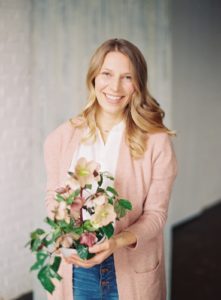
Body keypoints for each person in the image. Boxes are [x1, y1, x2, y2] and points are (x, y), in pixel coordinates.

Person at [44, 38, 177, 300]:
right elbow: (52, 197)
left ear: (137, 84)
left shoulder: (156, 141)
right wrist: (69, 228)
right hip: (77, 271)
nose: (115, 87)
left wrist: (116, 241)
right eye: (107, 74)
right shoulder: (61, 138)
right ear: (94, 77)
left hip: (132, 271)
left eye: (127, 77)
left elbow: (156, 215)